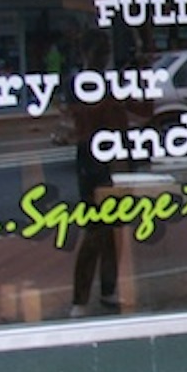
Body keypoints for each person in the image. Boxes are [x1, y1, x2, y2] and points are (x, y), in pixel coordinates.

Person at [69, 37, 129, 317]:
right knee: (96, 230)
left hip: (106, 154)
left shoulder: (102, 82)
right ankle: (82, 297)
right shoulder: (84, 84)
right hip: (94, 159)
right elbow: (84, 120)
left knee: (111, 230)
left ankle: (106, 289)